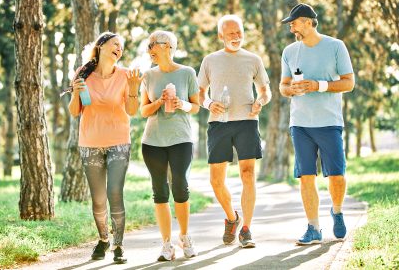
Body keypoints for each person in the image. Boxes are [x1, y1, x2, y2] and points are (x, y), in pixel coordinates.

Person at [279, 3, 355, 245]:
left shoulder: (335, 46)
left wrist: (318, 85)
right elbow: (283, 86)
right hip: (300, 124)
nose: (291, 27)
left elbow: (348, 83)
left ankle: (337, 210)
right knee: (306, 177)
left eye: (294, 22)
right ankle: (313, 227)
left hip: (329, 122)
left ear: (309, 22)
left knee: (337, 176)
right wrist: (290, 89)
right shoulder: (289, 51)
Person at [68, 32, 143, 263]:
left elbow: (131, 111)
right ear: (101, 46)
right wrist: (77, 93)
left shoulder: (125, 75)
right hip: (90, 143)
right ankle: (103, 240)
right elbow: (74, 111)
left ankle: (118, 246)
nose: (119, 49)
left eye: (122, 46)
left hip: (118, 142)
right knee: (98, 198)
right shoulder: (83, 72)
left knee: (114, 193)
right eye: (115, 44)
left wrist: (133, 89)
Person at [198, 15, 272, 248]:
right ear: (221, 36)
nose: (236, 37)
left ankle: (247, 230)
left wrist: (261, 101)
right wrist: (209, 104)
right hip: (218, 123)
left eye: (239, 32)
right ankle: (232, 218)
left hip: (247, 122)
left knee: (248, 174)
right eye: (230, 33)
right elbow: (199, 94)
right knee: (216, 180)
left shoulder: (253, 59)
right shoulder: (210, 60)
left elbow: (265, 91)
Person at [140, 30, 200, 261]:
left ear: (168, 47)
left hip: (180, 138)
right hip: (152, 141)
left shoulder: (187, 73)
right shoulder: (148, 75)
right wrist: (159, 102)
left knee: (180, 187)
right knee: (160, 192)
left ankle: (184, 237)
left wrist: (180, 103)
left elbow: (195, 107)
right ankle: (167, 244)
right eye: (149, 45)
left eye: (153, 44)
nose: (150, 49)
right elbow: (143, 111)